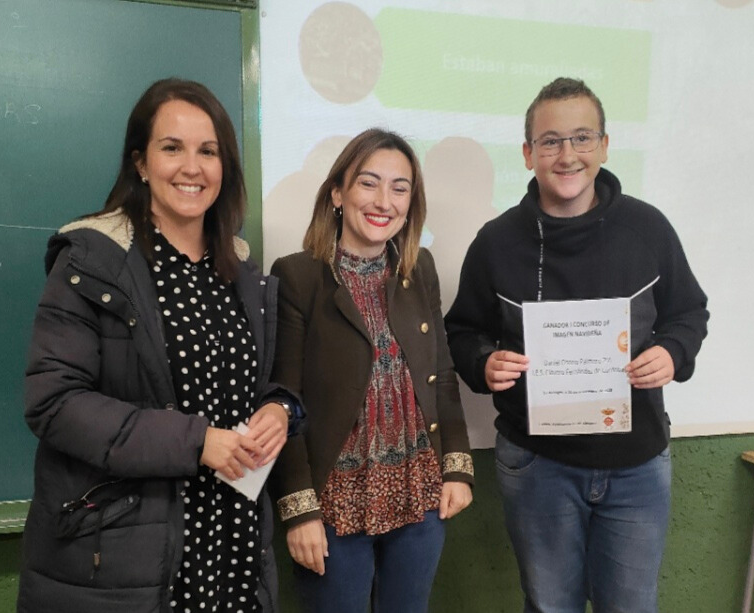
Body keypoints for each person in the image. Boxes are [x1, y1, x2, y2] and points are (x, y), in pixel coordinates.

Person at [18, 78, 302, 613]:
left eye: (208, 151)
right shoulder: (92, 261)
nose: (192, 168)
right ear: (141, 164)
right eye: (172, 148)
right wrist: (195, 442)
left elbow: (260, 383)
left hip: (234, 549)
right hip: (126, 558)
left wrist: (279, 409)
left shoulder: (242, 272)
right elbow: (54, 402)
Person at [445, 77, 709, 613]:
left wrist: (673, 353)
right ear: (528, 154)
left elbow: (689, 312)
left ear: (604, 146)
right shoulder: (496, 242)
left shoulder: (648, 228)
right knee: (549, 606)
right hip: (537, 465)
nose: (567, 155)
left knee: (632, 606)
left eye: (582, 138)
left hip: (637, 465)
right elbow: (463, 330)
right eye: (550, 141)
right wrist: (484, 363)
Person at [268, 128, 474, 613]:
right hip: (334, 505)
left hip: (419, 494)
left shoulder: (419, 268)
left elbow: (443, 373)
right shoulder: (297, 275)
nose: (384, 201)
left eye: (400, 188)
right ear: (337, 194)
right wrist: (299, 511)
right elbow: (282, 401)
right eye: (368, 183)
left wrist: (457, 467)